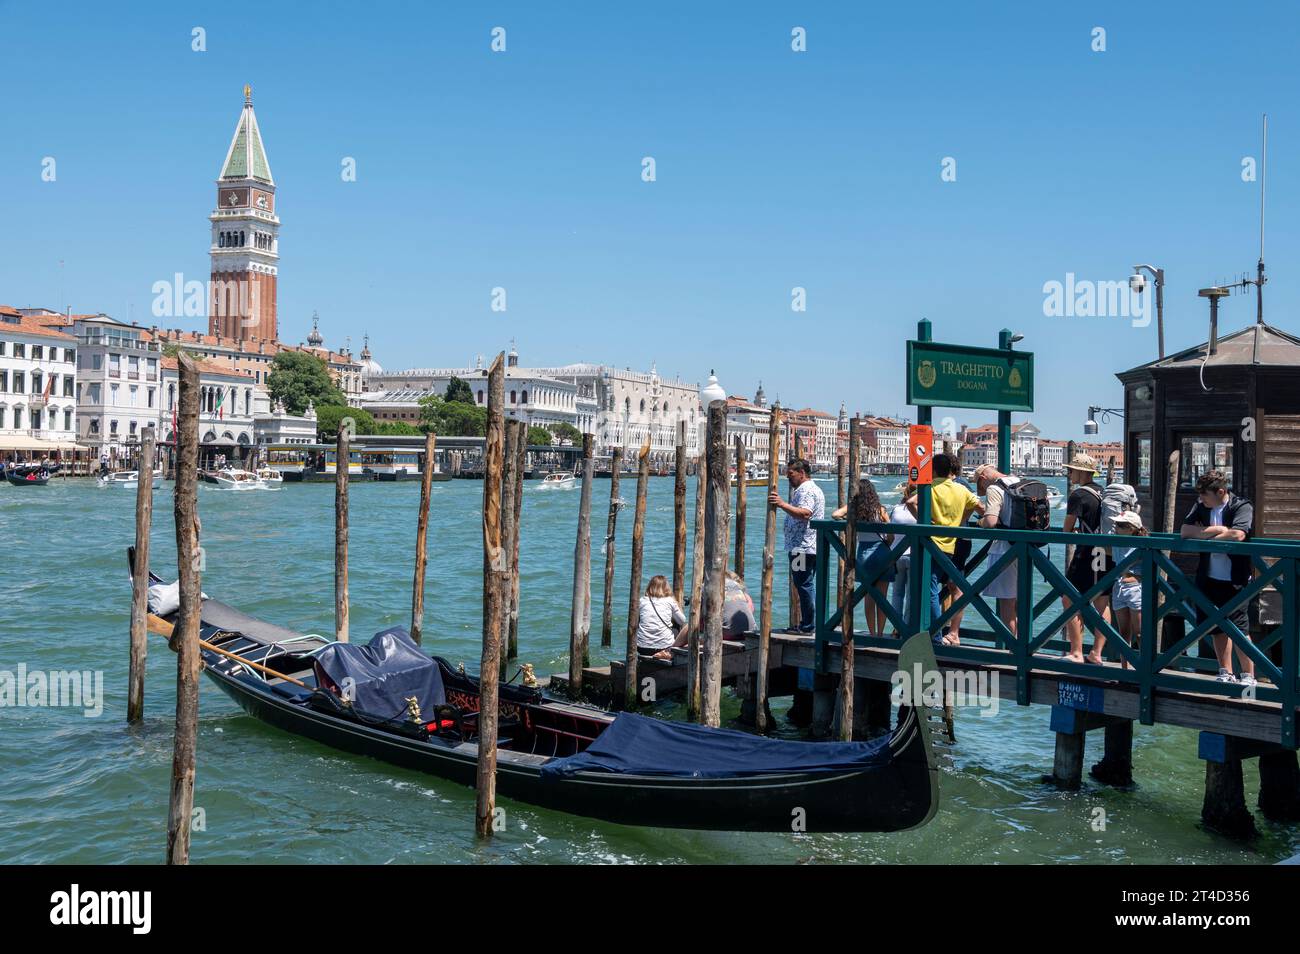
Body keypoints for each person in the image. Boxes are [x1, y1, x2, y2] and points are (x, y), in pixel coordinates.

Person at [1180, 470, 1255, 685]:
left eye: (1205, 495)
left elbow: (1239, 534)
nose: (1201, 499)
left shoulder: (1241, 506)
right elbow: (1185, 530)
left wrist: (1205, 534)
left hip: (1236, 578)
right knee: (1215, 628)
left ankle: (1249, 677)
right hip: (1208, 577)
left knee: (1240, 629)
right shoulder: (1202, 504)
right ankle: (1226, 672)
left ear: (1220, 491)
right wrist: (1216, 530)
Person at [1060, 453, 1112, 663]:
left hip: (1086, 553)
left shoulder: (1078, 495)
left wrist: (1073, 532)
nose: (1069, 473)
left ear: (1081, 472)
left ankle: (1076, 652)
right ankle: (1097, 653)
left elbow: (1066, 529)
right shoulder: (1104, 492)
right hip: (1107, 552)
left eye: (1071, 470)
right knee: (1102, 602)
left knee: (1069, 599)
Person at [929, 453, 984, 646]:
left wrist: (960, 520)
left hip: (951, 542)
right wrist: (963, 520)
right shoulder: (961, 486)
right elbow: (980, 507)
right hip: (960, 540)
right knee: (952, 585)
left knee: (942, 586)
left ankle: (941, 632)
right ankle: (950, 631)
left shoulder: (954, 485)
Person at [832, 479, 895, 636]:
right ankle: (880, 633)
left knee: (869, 597)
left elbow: (835, 514)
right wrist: (887, 543)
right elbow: (891, 535)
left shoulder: (855, 510)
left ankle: (872, 633)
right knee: (882, 598)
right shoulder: (880, 510)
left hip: (864, 554)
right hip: (882, 553)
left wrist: (847, 519)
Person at [770, 458, 825, 634]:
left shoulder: (806, 491)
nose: (789, 479)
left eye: (791, 475)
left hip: (801, 548)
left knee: (803, 584)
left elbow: (805, 513)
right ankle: (807, 623)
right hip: (804, 547)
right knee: (803, 583)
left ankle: (808, 626)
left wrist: (781, 504)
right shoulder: (808, 489)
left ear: (802, 473)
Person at [974, 463, 1021, 639]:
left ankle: (1013, 647)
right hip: (1026, 549)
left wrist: (981, 522)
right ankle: (1024, 642)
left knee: (1006, 603)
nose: (983, 490)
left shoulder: (994, 488)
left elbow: (991, 522)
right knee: (1019, 600)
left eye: (981, 486)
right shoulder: (1018, 480)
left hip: (1003, 551)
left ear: (983, 478)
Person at [1108, 510, 1146, 670]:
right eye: (1115, 524)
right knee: (1123, 632)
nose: (1116, 527)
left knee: (1139, 632)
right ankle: (1125, 668)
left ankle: (1144, 668)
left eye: (1120, 525)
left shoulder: (1141, 544)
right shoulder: (1116, 539)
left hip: (1135, 587)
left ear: (1132, 529)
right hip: (1119, 586)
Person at [635, 575, 689, 660]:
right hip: (664, 647)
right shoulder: (670, 600)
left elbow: (636, 622)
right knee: (685, 628)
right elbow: (682, 621)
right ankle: (669, 653)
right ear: (666, 587)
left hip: (642, 648)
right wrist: (676, 605)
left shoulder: (642, 601)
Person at [889, 483, 918, 631]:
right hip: (913, 555)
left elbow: (891, 534)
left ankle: (896, 627)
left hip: (896, 555)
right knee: (911, 595)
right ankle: (906, 627)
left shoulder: (896, 509)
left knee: (897, 593)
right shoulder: (922, 511)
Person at [721, 570, 756, 638]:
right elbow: (751, 609)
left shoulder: (709, 586)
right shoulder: (741, 590)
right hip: (751, 631)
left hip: (729, 634)